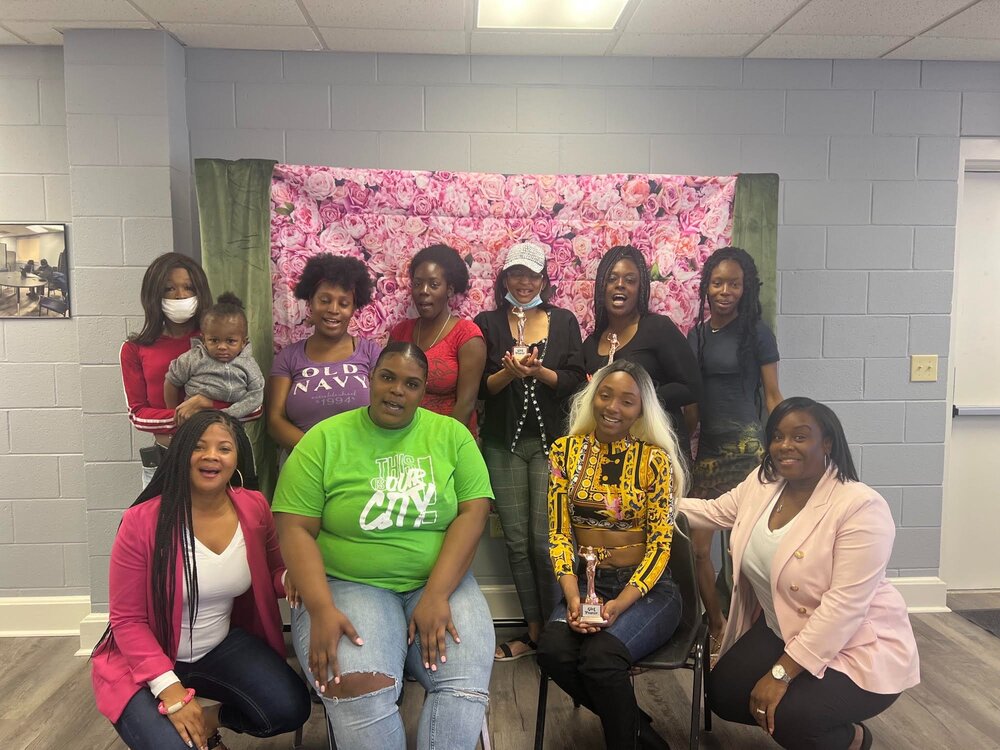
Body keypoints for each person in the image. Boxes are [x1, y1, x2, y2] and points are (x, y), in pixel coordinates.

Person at [272, 343, 495, 750]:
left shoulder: (452, 436)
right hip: (348, 585)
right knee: (359, 690)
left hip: (440, 581)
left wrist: (437, 594)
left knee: (463, 688)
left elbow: (473, 515)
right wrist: (320, 609)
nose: (397, 391)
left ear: (423, 390)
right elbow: (294, 527)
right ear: (370, 379)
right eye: (388, 377)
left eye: (411, 384)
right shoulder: (323, 439)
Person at [678, 398, 920, 750]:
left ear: (827, 443)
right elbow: (713, 512)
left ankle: (851, 738)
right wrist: (647, 500)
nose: (785, 446)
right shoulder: (763, 484)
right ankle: (814, 716)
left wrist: (781, 673)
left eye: (800, 437)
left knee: (790, 716)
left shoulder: (860, 507)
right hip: (784, 628)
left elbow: (844, 609)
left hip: (858, 643)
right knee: (724, 694)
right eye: (777, 436)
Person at [91, 411, 311, 750]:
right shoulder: (142, 522)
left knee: (289, 707)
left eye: (224, 448)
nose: (211, 456)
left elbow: (272, 573)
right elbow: (127, 620)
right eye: (198, 446)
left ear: (237, 457)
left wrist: (296, 577)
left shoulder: (253, 507)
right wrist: (171, 691)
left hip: (218, 648)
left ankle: (211, 722)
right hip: (144, 659)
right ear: (180, 454)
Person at [536, 360, 686, 750]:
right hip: (583, 585)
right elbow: (558, 535)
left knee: (601, 659)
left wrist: (619, 602)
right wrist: (572, 596)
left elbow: (660, 548)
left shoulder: (655, 461)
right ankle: (642, 733)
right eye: (605, 395)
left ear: (641, 410)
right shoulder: (563, 453)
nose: (613, 407)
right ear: (593, 397)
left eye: (627, 401)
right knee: (552, 651)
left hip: (646, 590)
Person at [473, 242, 587, 661]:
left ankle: (562, 625)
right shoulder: (486, 322)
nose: (524, 282)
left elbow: (576, 380)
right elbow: (482, 388)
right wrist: (508, 371)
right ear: (504, 278)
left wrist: (540, 371)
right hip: (502, 446)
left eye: (532, 275)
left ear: (544, 280)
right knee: (517, 543)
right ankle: (535, 632)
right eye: (516, 274)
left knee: (545, 542)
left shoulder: (564, 321)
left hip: (550, 447)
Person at [687, 246, 783, 662]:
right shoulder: (698, 335)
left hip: (749, 452)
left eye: (734, 284)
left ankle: (751, 631)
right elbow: (691, 400)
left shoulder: (757, 333)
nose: (725, 291)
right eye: (718, 282)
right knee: (697, 548)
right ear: (707, 286)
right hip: (708, 450)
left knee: (743, 550)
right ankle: (715, 623)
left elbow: (774, 394)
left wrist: (781, 449)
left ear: (746, 289)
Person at [121, 253, 256, 487]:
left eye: (188, 288)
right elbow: (138, 415)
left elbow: (254, 406)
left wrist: (207, 403)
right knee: (162, 524)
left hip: (222, 459)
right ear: (154, 294)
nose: (180, 295)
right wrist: (190, 415)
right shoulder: (134, 349)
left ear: (200, 292)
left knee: (233, 523)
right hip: (167, 458)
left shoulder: (222, 340)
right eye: (169, 289)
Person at [581, 244, 702, 461]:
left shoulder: (658, 328)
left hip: (658, 454)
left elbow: (692, 387)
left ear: (641, 288)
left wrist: (639, 400)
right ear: (601, 287)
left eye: (630, 280)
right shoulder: (591, 343)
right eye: (612, 279)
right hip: (611, 458)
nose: (620, 285)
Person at [266, 253, 381, 453]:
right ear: (310, 301)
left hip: (362, 460)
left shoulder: (371, 354)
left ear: (354, 307)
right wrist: (320, 454)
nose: (333, 310)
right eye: (324, 300)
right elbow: (275, 421)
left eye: (344, 303)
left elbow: (384, 411)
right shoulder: (288, 357)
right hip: (305, 461)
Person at [388, 244, 486, 433]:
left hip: (448, 441)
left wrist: (439, 446)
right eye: (417, 284)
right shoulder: (400, 332)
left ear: (449, 290)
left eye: (433, 284)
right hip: (402, 438)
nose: (423, 291)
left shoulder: (466, 335)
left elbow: (465, 405)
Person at [164, 292, 265, 421]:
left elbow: (256, 395)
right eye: (214, 340)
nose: (222, 347)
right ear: (204, 339)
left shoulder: (249, 364)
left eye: (230, 341)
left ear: (243, 342)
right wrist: (173, 412)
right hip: (195, 421)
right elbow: (171, 381)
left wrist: (227, 414)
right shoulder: (193, 358)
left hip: (231, 425)